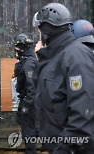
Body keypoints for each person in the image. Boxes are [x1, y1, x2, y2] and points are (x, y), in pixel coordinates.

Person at [33, 2, 94, 154]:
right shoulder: (55, 57)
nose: (38, 36)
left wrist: (64, 149)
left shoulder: (75, 56)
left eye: (39, 30)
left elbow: (83, 114)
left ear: (46, 30)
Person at [13, 33, 38, 154]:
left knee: (29, 131)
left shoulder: (28, 64)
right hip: (26, 100)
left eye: (17, 47)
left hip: (30, 102)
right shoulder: (25, 61)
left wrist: (27, 106)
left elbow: (31, 88)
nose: (16, 49)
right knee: (24, 125)